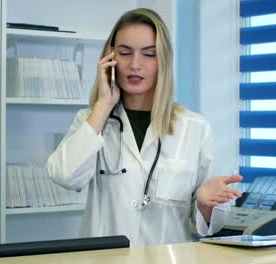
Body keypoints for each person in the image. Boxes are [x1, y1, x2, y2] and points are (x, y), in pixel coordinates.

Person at [46, 8, 242, 247]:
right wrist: (103, 104)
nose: (135, 65)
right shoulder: (91, 120)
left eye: (148, 54)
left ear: (163, 62)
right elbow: (65, 176)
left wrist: (203, 205)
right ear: (110, 59)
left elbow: (213, 224)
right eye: (125, 53)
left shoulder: (195, 128)